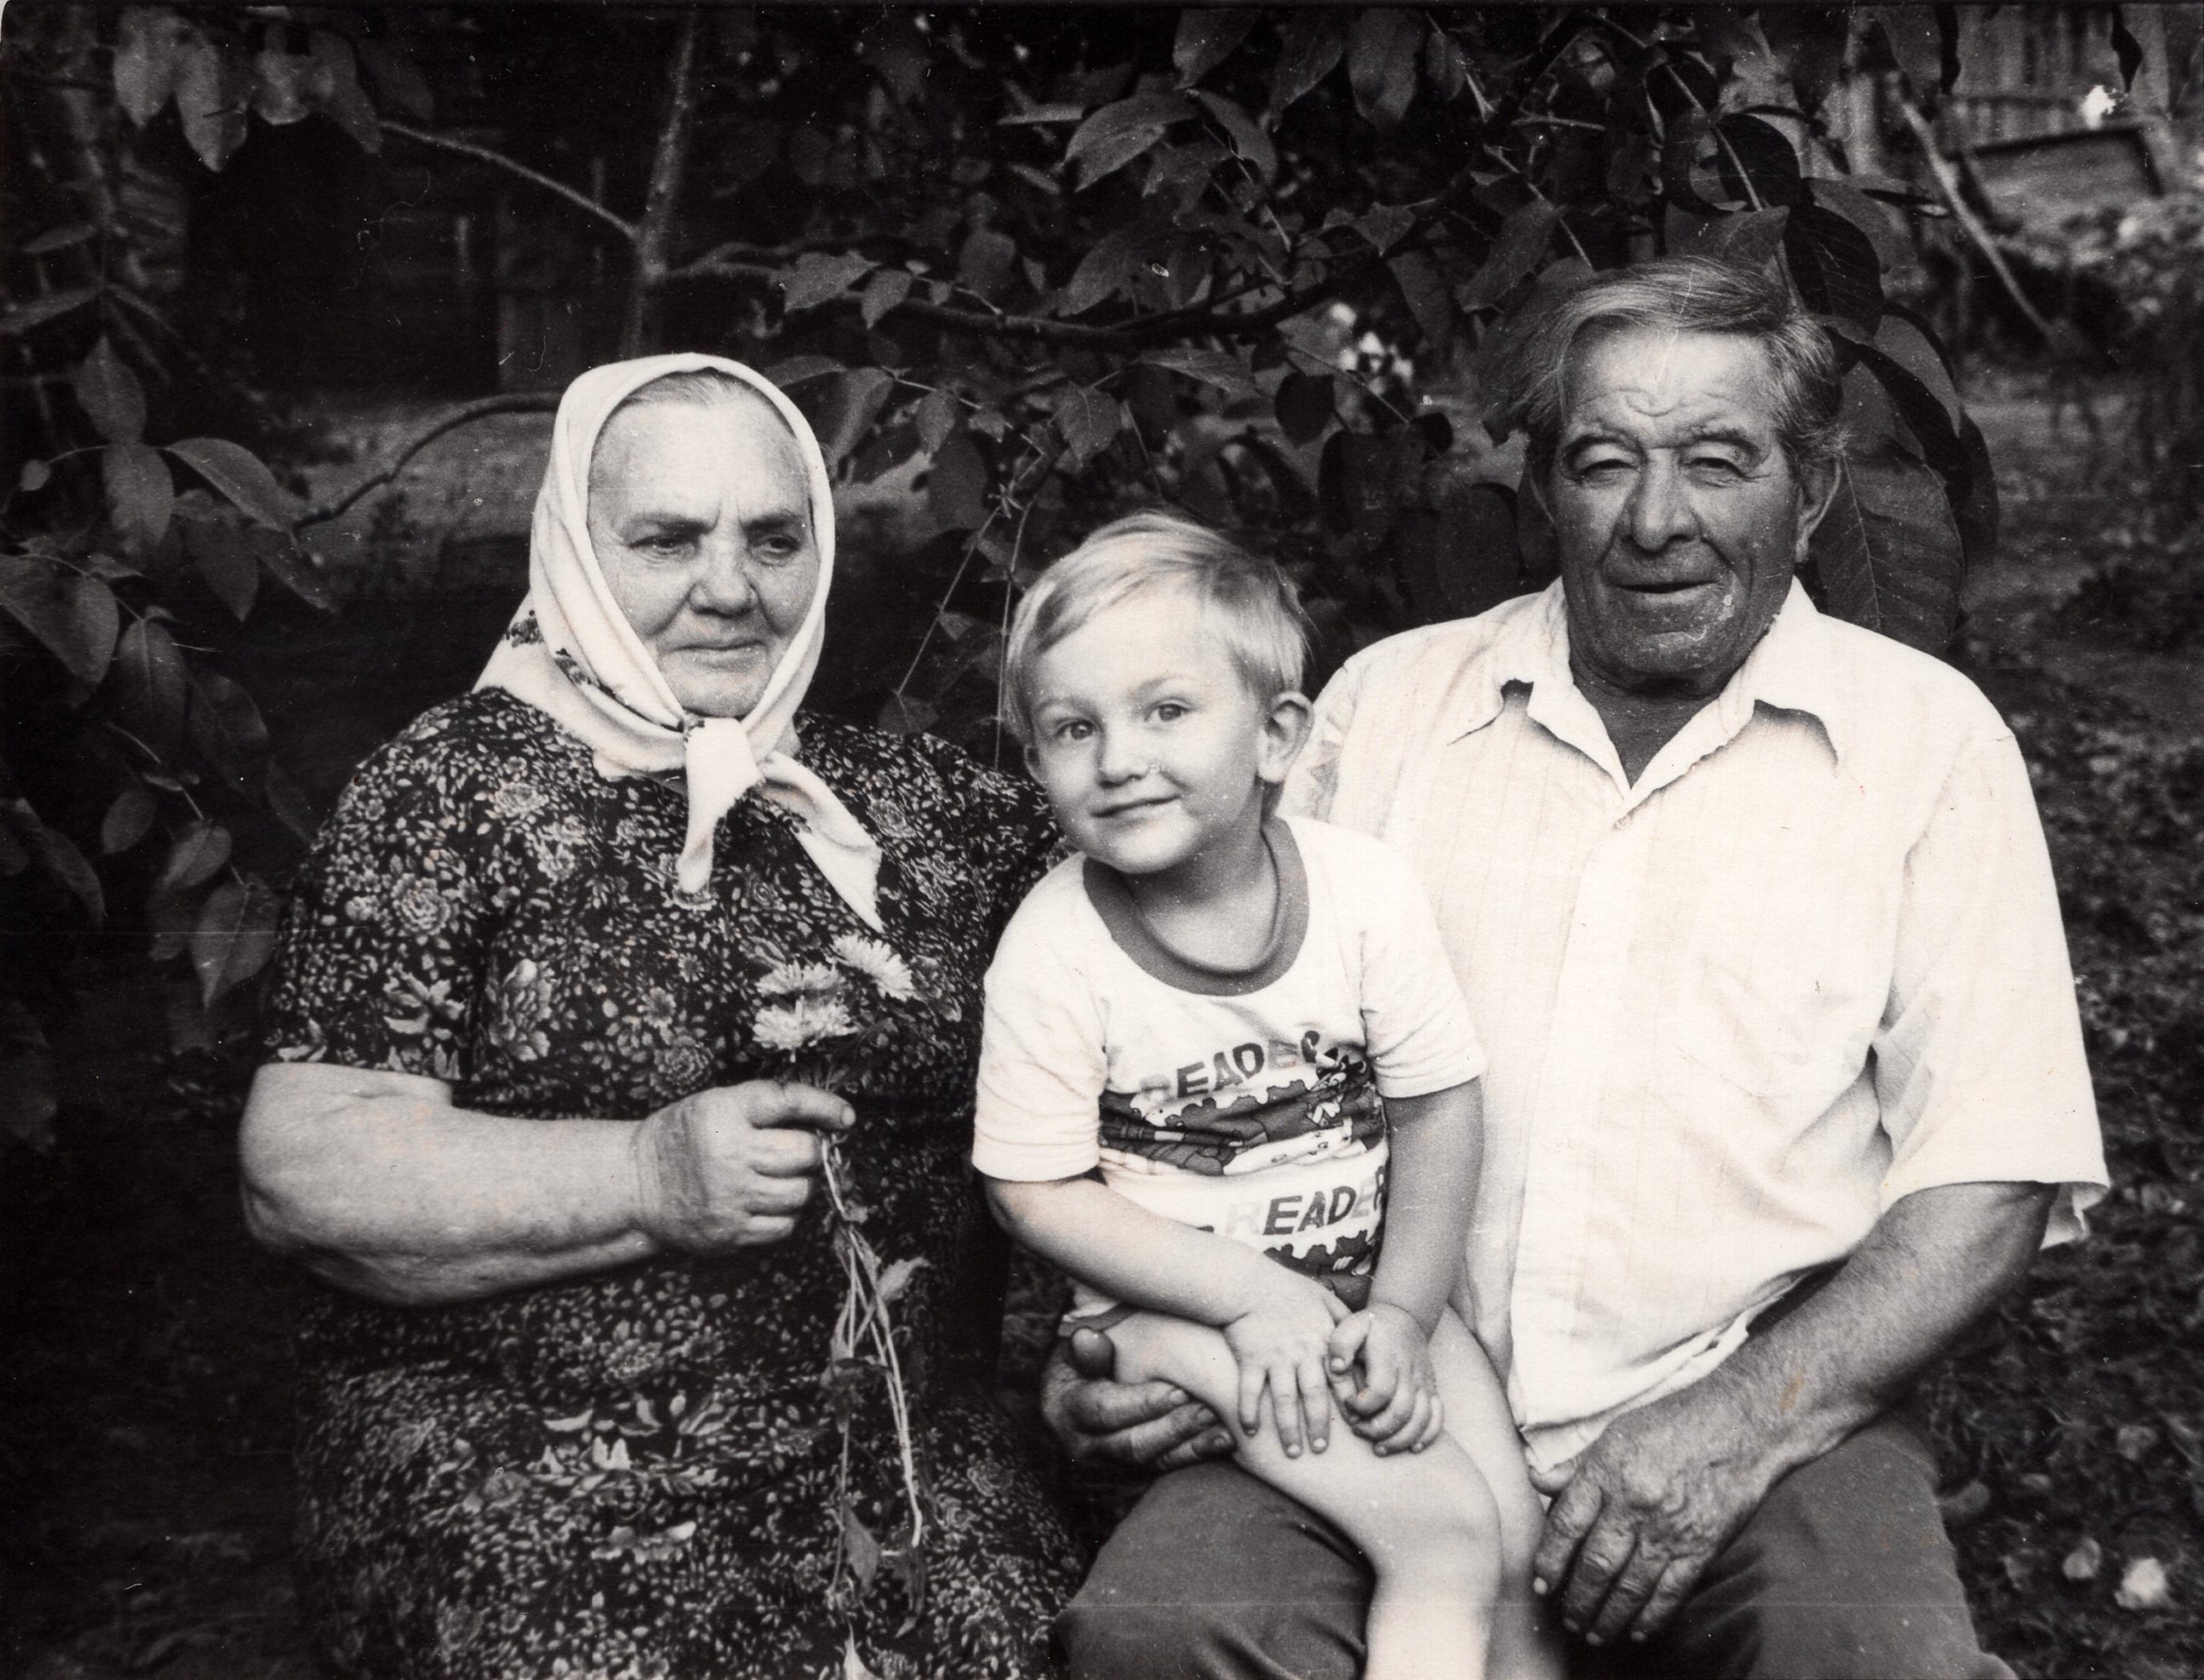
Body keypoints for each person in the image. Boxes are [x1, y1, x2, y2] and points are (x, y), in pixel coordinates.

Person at [1049, 258, 2109, 1680]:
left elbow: (1987, 1180)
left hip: (1751, 1396)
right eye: (1604, 462)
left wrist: (1736, 1424)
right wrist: (1130, 1340)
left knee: (1873, 1661)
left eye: (1717, 462)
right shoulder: (1386, 707)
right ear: (1543, 480)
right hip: (1377, 1378)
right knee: (1159, 1638)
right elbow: (1177, 1046)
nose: (1655, 521)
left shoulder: (1926, 745)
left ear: (1812, 479)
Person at [238, 353, 1083, 1680]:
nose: (730, 587)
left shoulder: (927, 811)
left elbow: (1173, 1012)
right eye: (667, 539)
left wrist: (1133, 1331)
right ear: (578, 544)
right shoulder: (451, 791)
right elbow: (304, 1167)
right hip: (537, 1482)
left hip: (906, 1477)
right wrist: (642, 1174)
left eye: (772, 537)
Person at [973, 514, 1563, 1680]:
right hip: (1170, 1316)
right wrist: (1246, 1297)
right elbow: (1029, 1188)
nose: (1118, 756)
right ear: (1036, 760)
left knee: (1512, 1544)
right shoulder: (1055, 947)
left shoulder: (1360, 891)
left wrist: (1400, 1311)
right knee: (1442, 1538)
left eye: (1165, 710)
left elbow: (1437, 1106)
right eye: (1072, 728)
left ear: (1278, 734)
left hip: (1359, 1293)